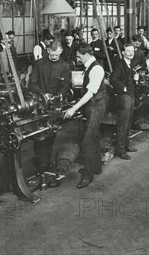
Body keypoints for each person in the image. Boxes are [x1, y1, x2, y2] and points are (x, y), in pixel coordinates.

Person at [64, 44, 109, 188]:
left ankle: (88, 175)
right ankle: (96, 166)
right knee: (94, 136)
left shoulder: (96, 69)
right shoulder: (89, 67)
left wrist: (73, 108)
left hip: (96, 107)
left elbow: (90, 93)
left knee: (87, 140)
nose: (78, 59)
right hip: (91, 106)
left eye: (79, 56)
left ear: (87, 55)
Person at [28, 41, 70, 187]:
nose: (53, 57)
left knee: (51, 134)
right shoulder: (39, 64)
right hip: (39, 105)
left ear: (61, 51)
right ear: (47, 50)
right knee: (38, 135)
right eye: (51, 54)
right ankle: (41, 165)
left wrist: (58, 96)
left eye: (56, 55)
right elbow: (31, 83)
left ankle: (45, 164)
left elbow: (66, 86)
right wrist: (42, 94)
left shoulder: (65, 66)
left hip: (54, 107)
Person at [109, 42, 139, 160]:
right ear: (123, 53)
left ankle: (126, 145)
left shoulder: (130, 63)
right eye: (128, 51)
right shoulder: (120, 65)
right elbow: (113, 79)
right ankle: (120, 150)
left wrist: (135, 79)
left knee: (129, 121)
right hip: (124, 97)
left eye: (132, 51)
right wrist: (123, 88)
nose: (131, 53)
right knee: (123, 123)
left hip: (130, 95)